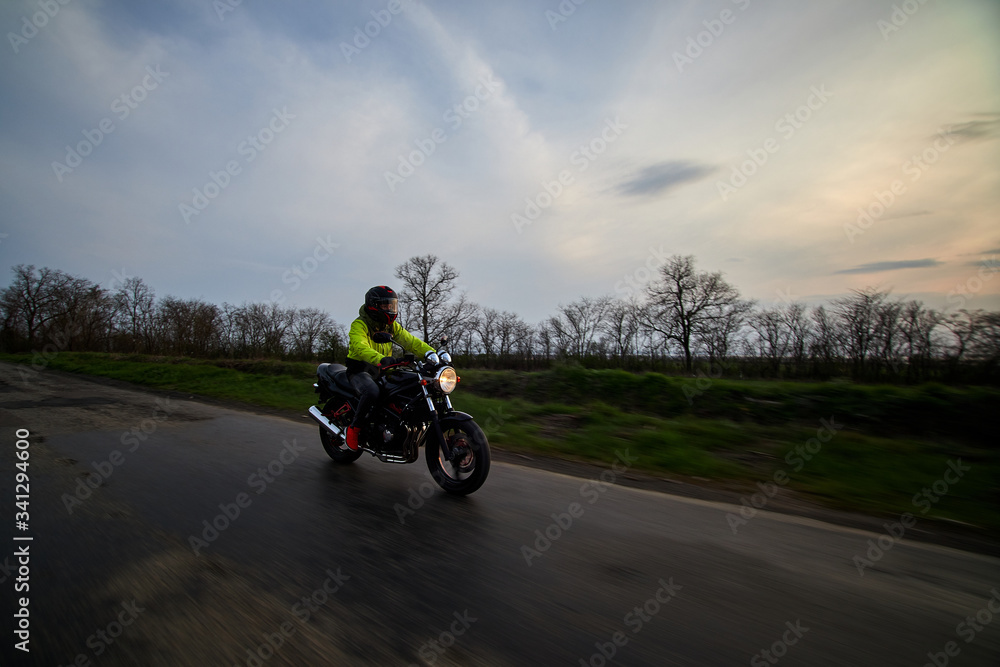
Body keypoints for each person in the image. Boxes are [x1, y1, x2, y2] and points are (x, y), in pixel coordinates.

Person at [344, 285, 436, 451]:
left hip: (384, 370)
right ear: (374, 306)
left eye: (392, 306)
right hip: (361, 371)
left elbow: (411, 342)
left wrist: (432, 354)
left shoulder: (391, 327)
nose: (390, 309)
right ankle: (354, 428)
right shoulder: (360, 325)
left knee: (410, 383)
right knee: (371, 392)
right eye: (385, 306)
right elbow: (359, 346)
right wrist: (380, 359)